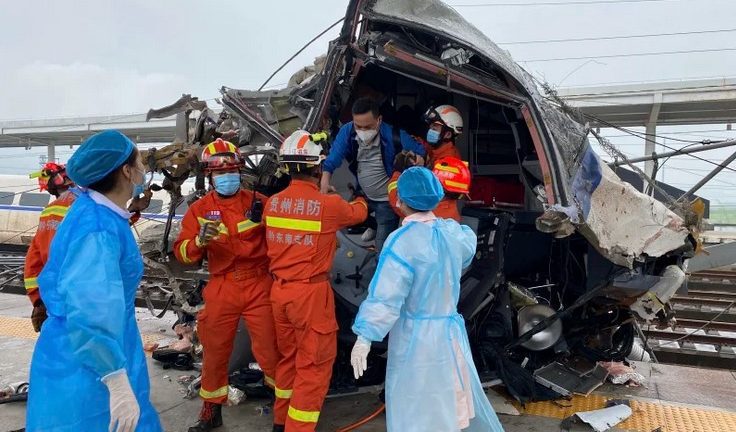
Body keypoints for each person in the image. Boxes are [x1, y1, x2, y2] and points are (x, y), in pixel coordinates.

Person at [26, 130, 162, 432]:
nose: (142, 169)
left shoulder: (95, 211)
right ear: (126, 171)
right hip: (91, 367)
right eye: (137, 162)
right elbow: (90, 310)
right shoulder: (98, 229)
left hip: (95, 351)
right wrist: (115, 379)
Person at [350, 167, 504, 432]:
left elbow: (386, 297)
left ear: (400, 201)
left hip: (415, 340)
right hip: (449, 335)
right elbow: (466, 254)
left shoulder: (401, 243)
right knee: (450, 401)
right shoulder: (454, 233)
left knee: (417, 407)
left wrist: (365, 336)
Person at [173, 138, 280, 432]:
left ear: (240, 171)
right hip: (222, 285)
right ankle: (210, 412)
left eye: (230, 171)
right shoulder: (200, 210)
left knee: (271, 350)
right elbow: (182, 254)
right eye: (220, 173)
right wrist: (198, 242)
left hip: (259, 283)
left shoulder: (259, 202)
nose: (226, 177)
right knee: (215, 352)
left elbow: (281, 239)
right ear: (210, 176)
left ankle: (282, 416)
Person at [265, 130, 368, 432]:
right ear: (317, 167)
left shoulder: (273, 204)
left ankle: (280, 423)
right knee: (314, 366)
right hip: (310, 296)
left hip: (280, 293)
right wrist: (357, 194)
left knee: (289, 360)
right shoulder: (329, 206)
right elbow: (359, 214)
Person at [24, 164, 152, 333]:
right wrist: (132, 210)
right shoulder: (88, 204)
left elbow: (33, 258)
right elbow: (104, 234)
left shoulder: (50, 211)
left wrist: (38, 301)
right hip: (87, 299)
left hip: (55, 297)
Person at [320, 97, 425, 251]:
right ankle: (372, 225)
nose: (362, 131)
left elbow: (421, 152)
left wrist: (419, 159)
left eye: (367, 127)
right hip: (363, 195)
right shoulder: (348, 132)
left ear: (379, 120)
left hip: (386, 200)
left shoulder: (395, 136)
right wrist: (324, 182)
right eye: (358, 126)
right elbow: (332, 159)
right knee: (347, 219)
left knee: (383, 247)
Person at [387, 104, 469, 221]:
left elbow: (403, 205)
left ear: (447, 134)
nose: (430, 130)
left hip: (433, 223)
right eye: (430, 126)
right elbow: (431, 152)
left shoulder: (446, 167)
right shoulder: (442, 153)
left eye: (435, 128)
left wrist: (398, 173)